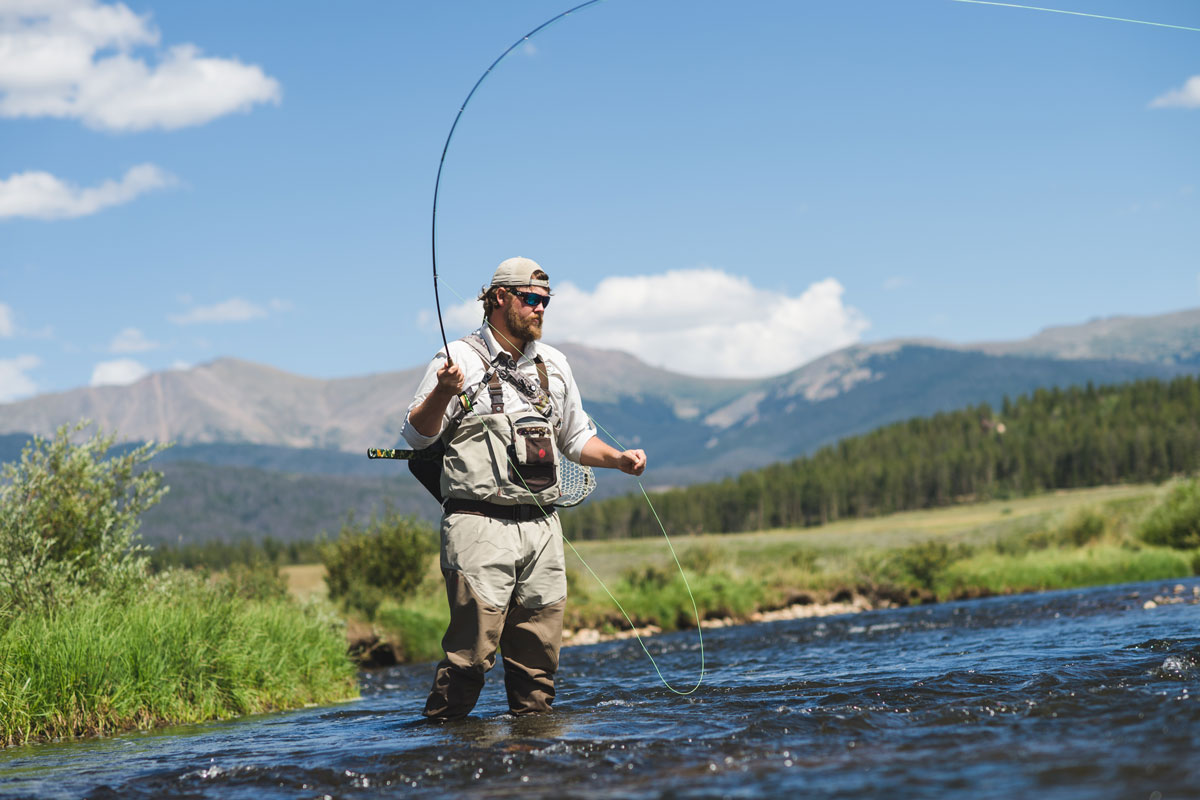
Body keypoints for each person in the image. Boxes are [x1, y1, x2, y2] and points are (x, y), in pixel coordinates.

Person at [401, 256, 647, 719]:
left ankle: (534, 760)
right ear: (499, 298)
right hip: (478, 524)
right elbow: (417, 435)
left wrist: (618, 459)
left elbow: (575, 439)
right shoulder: (458, 360)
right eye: (531, 299)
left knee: (538, 666)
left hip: (543, 530)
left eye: (545, 302)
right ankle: (438, 759)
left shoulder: (555, 365)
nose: (540, 309)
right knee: (471, 656)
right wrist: (442, 392)